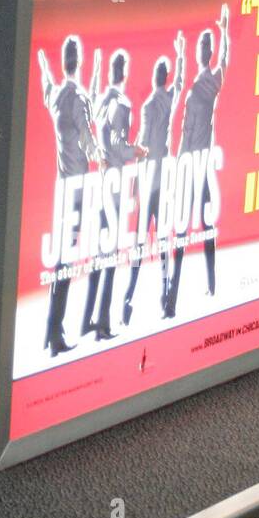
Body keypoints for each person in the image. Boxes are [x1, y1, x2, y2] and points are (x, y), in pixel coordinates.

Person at [37, 35, 100, 356]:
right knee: (67, 258)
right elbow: (89, 139)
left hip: (62, 186)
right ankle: (55, 332)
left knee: (63, 257)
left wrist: (43, 66)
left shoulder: (57, 95)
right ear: (81, 60)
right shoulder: (79, 97)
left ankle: (52, 330)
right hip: (77, 187)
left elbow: (46, 85)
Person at [167, 5, 229, 317]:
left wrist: (226, 31)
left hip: (197, 163)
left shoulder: (207, 82)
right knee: (192, 228)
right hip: (192, 161)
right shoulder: (204, 82)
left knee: (197, 227)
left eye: (206, 47)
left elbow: (226, 62)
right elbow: (184, 130)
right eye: (202, 47)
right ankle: (174, 297)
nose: (203, 51)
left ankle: (201, 288)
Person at [81, 50, 148, 340]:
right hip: (117, 185)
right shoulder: (121, 104)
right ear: (125, 72)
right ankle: (103, 325)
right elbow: (118, 146)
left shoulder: (100, 101)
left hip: (101, 181)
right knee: (109, 256)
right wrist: (138, 151)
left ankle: (87, 320)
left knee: (99, 253)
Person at [123, 32, 185, 326]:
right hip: (162, 183)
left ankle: (129, 297)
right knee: (161, 240)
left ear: (155, 78)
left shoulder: (148, 106)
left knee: (140, 243)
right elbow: (181, 84)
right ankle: (165, 294)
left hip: (150, 183)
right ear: (166, 76)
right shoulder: (167, 100)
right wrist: (182, 55)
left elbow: (141, 146)